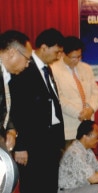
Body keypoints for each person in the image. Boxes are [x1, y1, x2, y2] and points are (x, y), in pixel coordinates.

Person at [9, 28, 65, 193]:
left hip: (50, 141)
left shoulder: (47, 69)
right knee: (34, 186)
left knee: (49, 185)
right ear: (44, 47)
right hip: (32, 143)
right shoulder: (24, 67)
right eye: (57, 51)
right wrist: (20, 145)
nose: (59, 56)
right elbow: (17, 109)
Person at [51, 36, 98, 148]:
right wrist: (80, 114)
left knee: (87, 160)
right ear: (63, 54)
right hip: (70, 126)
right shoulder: (53, 70)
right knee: (68, 161)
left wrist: (91, 109)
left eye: (79, 56)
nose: (77, 60)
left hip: (88, 125)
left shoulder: (86, 68)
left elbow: (95, 92)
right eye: (73, 57)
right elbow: (59, 98)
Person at [0, 30, 32, 193]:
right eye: (27, 59)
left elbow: (3, 108)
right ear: (12, 52)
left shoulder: (5, 75)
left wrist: (11, 129)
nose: (27, 64)